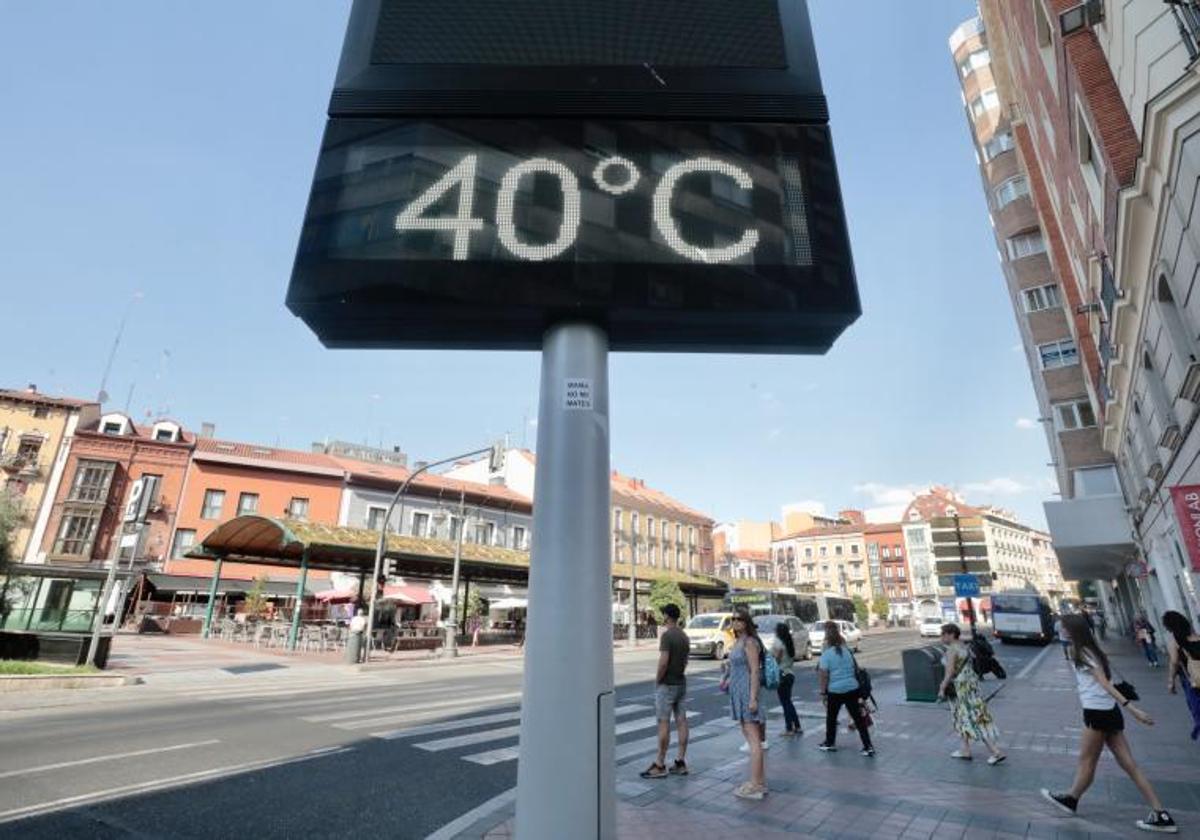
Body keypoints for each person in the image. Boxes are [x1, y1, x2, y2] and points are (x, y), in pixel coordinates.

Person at [1041, 614, 1178, 834]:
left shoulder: (1083, 652)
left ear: (1073, 630)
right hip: (1108, 712)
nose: (1060, 629)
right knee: (1127, 764)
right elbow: (1107, 681)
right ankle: (1160, 813)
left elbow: (1105, 683)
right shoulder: (1093, 650)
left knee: (1087, 762)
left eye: (1064, 627)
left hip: (1097, 713)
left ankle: (1071, 799)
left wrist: (1133, 709)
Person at [938, 623, 1005, 765]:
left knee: (972, 718)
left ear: (951, 634)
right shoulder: (964, 647)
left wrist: (942, 687)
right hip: (971, 686)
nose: (941, 637)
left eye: (943, 634)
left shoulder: (952, 650)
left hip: (960, 688)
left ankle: (995, 751)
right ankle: (965, 750)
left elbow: (949, 672)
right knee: (963, 717)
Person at [722, 607, 767, 799]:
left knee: (754, 741)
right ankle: (758, 781)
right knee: (749, 738)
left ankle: (756, 784)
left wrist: (753, 698)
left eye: (739, 619)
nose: (735, 622)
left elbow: (755, 671)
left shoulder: (749, 642)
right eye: (732, 619)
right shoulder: (739, 641)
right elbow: (737, 666)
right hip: (738, 692)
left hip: (747, 693)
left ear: (746, 622)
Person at [640, 604, 690, 779]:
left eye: (663, 614)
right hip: (681, 683)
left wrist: (657, 680)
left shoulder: (667, 636)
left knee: (663, 723)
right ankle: (680, 762)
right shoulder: (684, 636)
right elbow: (685, 662)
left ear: (667, 616)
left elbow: (663, 662)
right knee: (682, 721)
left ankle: (660, 764)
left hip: (667, 685)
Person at [816, 620, 874, 757]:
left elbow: (823, 675)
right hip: (852, 688)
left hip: (835, 690)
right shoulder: (847, 651)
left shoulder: (826, 654)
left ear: (827, 639)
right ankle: (868, 746)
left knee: (831, 718)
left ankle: (830, 743)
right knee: (858, 719)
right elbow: (855, 668)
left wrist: (823, 692)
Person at [1162, 610, 1200, 742]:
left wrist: (1171, 681)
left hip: (1192, 680)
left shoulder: (1176, 642)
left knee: (1196, 709)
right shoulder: (1198, 637)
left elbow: (1174, 662)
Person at [772, 621, 802, 737]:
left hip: (781, 675)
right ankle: (797, 726)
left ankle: (789, 728)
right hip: (790, 674)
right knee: (788, 701)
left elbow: (776, 660)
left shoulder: (778, 644)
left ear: (778, 632)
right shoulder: (789, 643)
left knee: (785, 703)